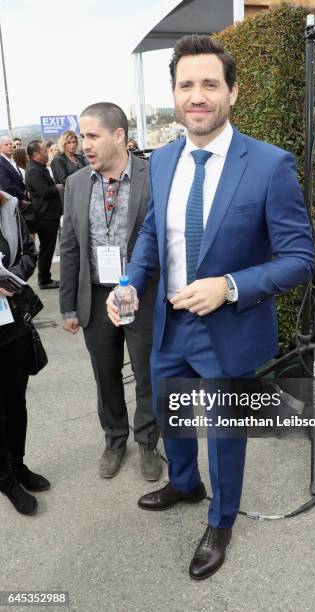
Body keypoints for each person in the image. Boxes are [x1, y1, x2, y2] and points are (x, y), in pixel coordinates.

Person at [107, 34, 315, 580]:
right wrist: (129, 281)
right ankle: (183, 483)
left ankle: (221, 520)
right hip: (169, 324)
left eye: (209, 84)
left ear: (233, 92)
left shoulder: (270, 165)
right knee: (173, 414)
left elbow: (300, 259)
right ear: (174, 95)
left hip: (229, 328)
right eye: (186, 85)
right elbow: (154, 234)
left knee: (224, 432)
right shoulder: (164, 158)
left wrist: (229, 285)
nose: (197, 96)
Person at [59, 102, 161, 481]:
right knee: (106, 375)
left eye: (92, 135)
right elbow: (70, 246)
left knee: (147, 373)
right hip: (96, 295)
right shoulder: (76, 183)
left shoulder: (152, 177)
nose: (84, 144)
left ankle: (148, 442)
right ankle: (115, 439)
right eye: (82, 136)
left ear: (118, 135)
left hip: (142, 295)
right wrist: (68, 306)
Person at [0, 190, 50, 515]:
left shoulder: (9, 206)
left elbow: (30, 251)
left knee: (16, 399)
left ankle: (18, 465)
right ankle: (5, 479)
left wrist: (12, 280)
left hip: (13, 319)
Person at [25, 140, 63, 289]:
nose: (46, 151)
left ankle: (45, 278)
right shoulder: (34, 170)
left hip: (49, 213)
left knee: (48, 247)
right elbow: (44, 192)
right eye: (43, 150)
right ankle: (44, 280)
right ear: (35, 155)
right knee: (47, 248)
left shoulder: (40, 167)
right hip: (44, 215)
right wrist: (59, 187)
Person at [0, 136, 26, 201]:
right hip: (14, 200)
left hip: (23, 197)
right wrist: (23, 196)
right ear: (0, 148)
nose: (9, 146)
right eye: (6, 145)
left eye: (11, 144)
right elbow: (7, 186)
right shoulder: (1, 163)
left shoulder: (13, 160)